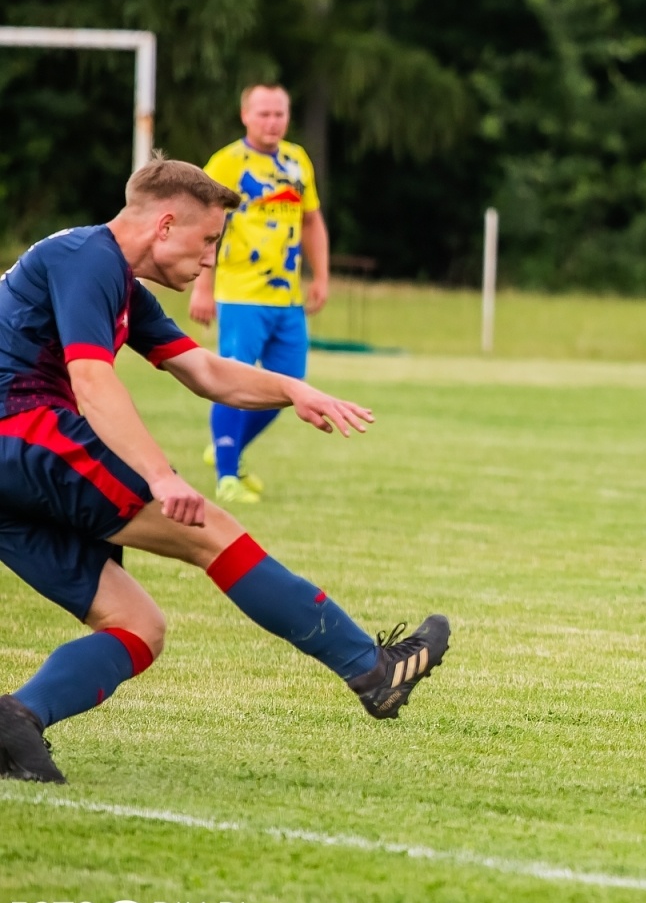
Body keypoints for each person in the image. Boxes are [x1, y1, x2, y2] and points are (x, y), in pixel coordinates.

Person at [0, 157, 448, 784]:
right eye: (209, 239)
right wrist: (160, 476)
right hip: (24, 433)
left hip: (11, 468)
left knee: (138, 627)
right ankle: (370, 669)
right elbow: (91, 379)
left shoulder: (119, 281)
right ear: (165, 224)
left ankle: (16, 719)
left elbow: (203, 370)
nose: (212, 258)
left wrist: (295, 390)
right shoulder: (89, 258)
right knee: (210, 531)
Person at [191, 84, 330, 503]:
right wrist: (203, 284)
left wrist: (321, 275)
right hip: (240, 293)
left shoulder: (297, 160)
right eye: (264, 113)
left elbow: (311, 222)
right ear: (245, 115)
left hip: (286, 297)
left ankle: (224, 450)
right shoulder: (227, 163)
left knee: (288, 388)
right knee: (234, 378)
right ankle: (228, 477)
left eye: (279, 114)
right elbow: (204, 226)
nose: (272, 121)